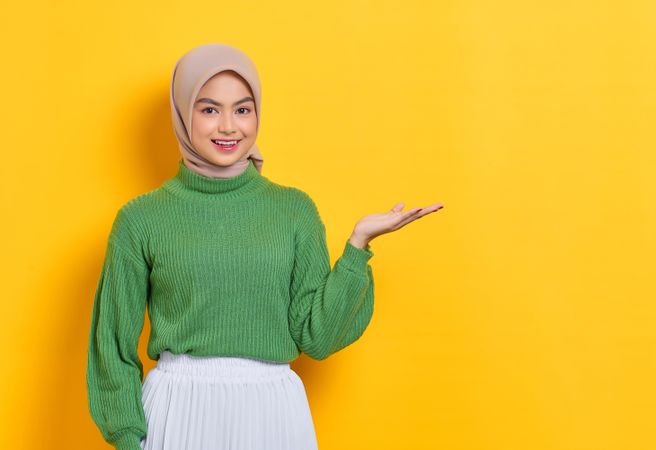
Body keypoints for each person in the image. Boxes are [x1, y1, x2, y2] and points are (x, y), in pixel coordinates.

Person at [86, 43, 443, 450]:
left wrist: (358, 246)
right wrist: (127, 440)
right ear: (183, 114)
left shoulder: (293, 210)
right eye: (209, 109)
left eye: (242, 109)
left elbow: (317, 336)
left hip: (272, 411)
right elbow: (111, 346)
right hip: (178, 408)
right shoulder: (141, 219)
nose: (228, 127)